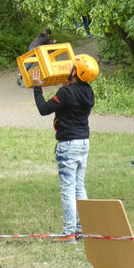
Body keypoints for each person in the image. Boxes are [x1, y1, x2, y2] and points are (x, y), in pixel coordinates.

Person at [31, 54, 99, 244]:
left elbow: (44, 109)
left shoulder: (67, 93)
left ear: (75, 72)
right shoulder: (88, 92)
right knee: (79, 186)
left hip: (68, 144)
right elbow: (69, 99)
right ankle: (81, 228)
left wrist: (37, 87)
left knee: (68, 189)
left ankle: (69, 232)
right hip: (83, 142)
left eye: (72, 67)